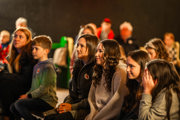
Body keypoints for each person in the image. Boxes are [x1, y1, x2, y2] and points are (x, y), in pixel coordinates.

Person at [45, 34, 99, 120]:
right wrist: (65, 105)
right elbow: (73, 92)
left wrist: (71, 107)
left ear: (91, 47)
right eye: (77, 45)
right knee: (48, 117)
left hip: (87, 109)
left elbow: (92, 100)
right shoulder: (78, 64)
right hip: (75, 104)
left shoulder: (96, 69)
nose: (77, 49)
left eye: (82, 46)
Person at [10, 35, 58, 120]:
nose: (33, 51)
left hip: (47, 101)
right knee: (13, 107)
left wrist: (28, 96)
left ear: (46, 51)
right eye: (32, 49)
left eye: (36, 49)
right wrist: (27, 94)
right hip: (37, 98)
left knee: (19, 104)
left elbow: (44, 89)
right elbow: (34, 87)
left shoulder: (48, 67)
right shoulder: (36, 66)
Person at [85, 39, 127, 120]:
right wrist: (92, 116)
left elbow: (115, 106)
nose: (96, 54)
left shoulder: (119, 72)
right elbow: (92, 100)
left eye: (100, 51)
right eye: (97, 51)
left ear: (110, 53)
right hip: (97, 114)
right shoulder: (99, 70)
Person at [0, 27, 36, 119]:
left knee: (4, 79)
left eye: (21, 37)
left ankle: (7, 115)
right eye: (15, 36)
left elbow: (25, 79)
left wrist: (3, 73)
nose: (16, 39)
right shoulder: (13, 55)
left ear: (27, 40)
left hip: (28, 88)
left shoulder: (28, 55)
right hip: (15, 84)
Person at [115, 50, 150, 120]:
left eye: (131, 66)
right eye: (127, 65)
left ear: (143, 67)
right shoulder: (133, 83)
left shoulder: (148, 88)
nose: (127, 69)